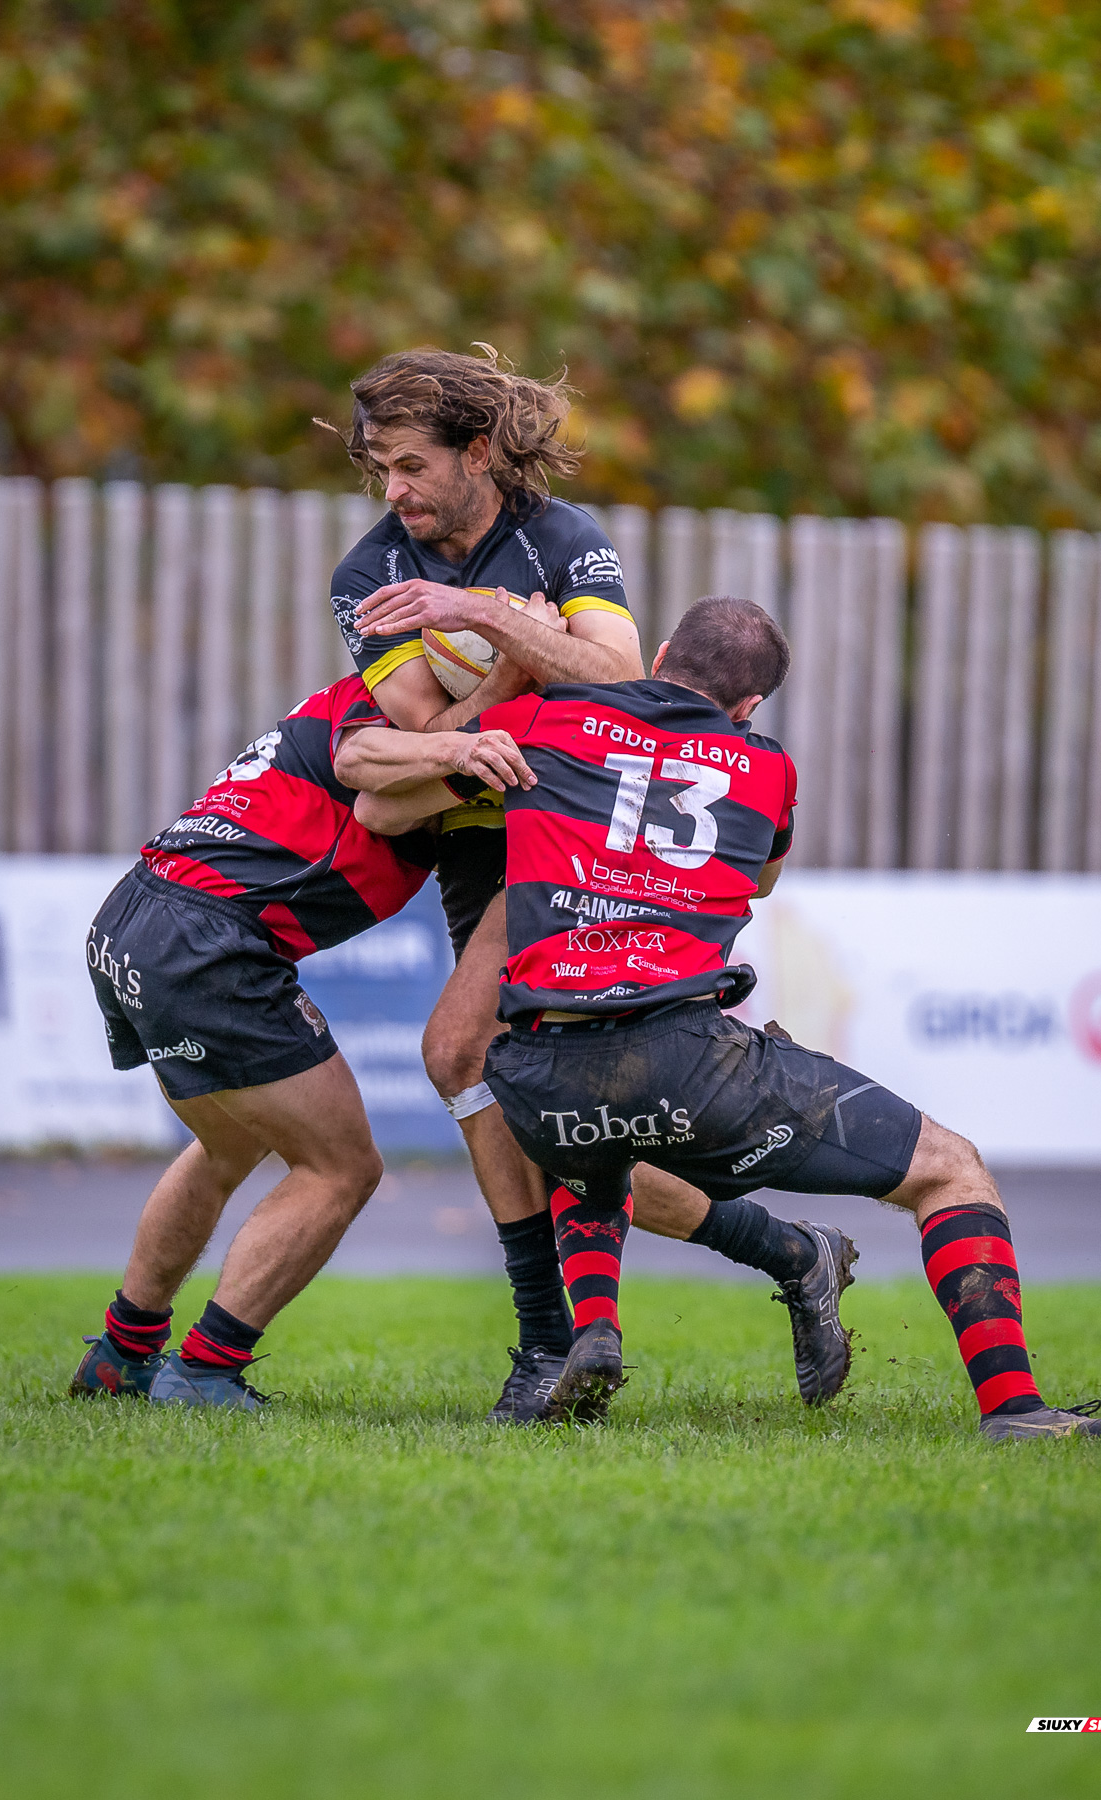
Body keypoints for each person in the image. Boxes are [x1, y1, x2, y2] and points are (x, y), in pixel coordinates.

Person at [350, 595, 1101, 1442]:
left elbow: (382, 804)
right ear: (748, 707)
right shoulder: (767, 766)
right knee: (951, 1169)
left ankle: (596, 1325)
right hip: (690, 1059)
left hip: (532, 1071)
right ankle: (1014, 1410)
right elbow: (764, 879)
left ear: (661, 650)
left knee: (590, 1139)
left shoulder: (540, 722)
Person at [325, 346, 850, 1421]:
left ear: (478, 452)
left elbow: (620, 679)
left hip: (575, 836)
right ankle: (791, 1252)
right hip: (476, 846)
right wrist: (526, 651)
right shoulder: (368, 578)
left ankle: (543, 1342)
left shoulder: (561, 537)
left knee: (458, 1056)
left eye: (410, 466)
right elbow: (430, 746)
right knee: (538, 1113)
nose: (393, 494)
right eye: (379, 469)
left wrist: (474, 619)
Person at [72, 674, 535, 1411]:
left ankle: (122, 1354)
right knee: (341, 1168)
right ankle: (203, 1371)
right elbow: (376, 797)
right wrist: (504, 714)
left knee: (228, 1145)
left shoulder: (365, 695)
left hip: (136, 912)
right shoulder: (386, 719)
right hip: (208, 939)